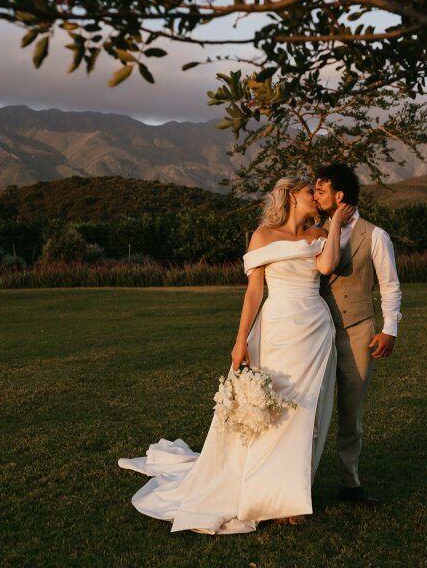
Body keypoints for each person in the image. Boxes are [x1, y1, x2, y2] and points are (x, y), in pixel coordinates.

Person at [118, 176, 354, 534]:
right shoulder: (263, 236)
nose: (316, 197)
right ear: (292, 196)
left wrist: (334, 224)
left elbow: (327, 267)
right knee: (274, 410)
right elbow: (254, 292)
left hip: (314, 331)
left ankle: (288, 498)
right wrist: (240, 340)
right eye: (310, 191)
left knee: (305, 413)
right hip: (276, 331)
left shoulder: (319, 234)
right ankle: (267, 491)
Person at [313, 164, 403, 505]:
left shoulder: (375, 235)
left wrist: (389, 329)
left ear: (339, 195)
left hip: (358, 333)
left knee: (351, 415)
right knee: (310, 412)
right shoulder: (313, 231)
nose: (315, 195)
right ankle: (299, 484)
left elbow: (390, 285)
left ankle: (350, 484)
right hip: (316, 333)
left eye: (320, 190)